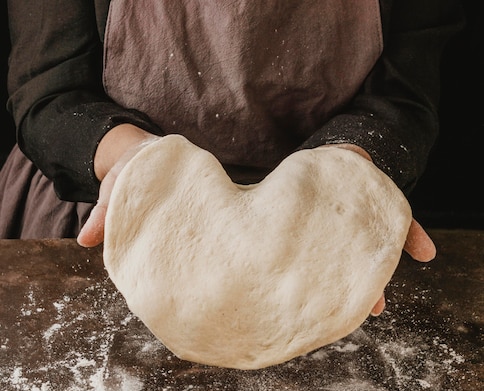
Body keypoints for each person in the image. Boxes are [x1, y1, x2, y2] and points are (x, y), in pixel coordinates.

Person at [0, 1, 463, 314]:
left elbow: (404, 91)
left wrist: (352, 163)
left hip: (319, 229)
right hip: (116, 210)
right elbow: (51, 90)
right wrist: (139, 165)